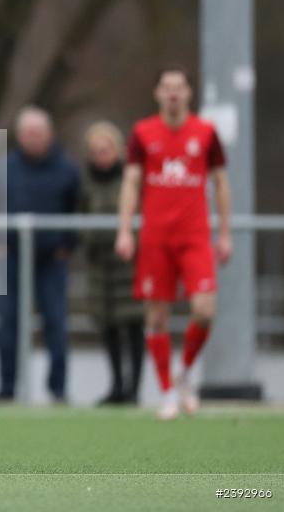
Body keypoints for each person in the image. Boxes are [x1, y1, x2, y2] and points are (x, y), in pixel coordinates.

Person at [115, 68, 231, 420]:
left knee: (204, 311)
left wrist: (224, 232)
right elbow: (131, 183)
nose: (173, 94)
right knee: (157, 314)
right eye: (167, 88)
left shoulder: (206, 133)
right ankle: (166, 391)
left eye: (179, 87)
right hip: (156, 237)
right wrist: (124, 229)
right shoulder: (142, 133)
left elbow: (221, 184)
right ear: (157, 94)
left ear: (189, 93)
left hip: (195, 236)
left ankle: (183, 372)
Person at [0, 106, 80, 403]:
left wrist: (68, 245)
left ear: (49, 134)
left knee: (55, 323)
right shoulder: (4, 169)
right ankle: (6, 388)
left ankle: (58, 389)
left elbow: (78, 209)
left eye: (38, 133)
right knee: (8, 324)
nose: (33, 138)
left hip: (52, 260)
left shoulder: (67, 170)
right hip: (13, 256)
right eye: (28, 133)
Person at [80, 122, 144, 405]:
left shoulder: (133, 179)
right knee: (107, 326)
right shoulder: (85, 182)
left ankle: (134, 388)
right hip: (100, 264)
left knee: (134, 326)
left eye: (105, 150)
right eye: (95, 151)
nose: (101, 156)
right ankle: (117, 385)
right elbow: (79, 215)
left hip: (130, 263)